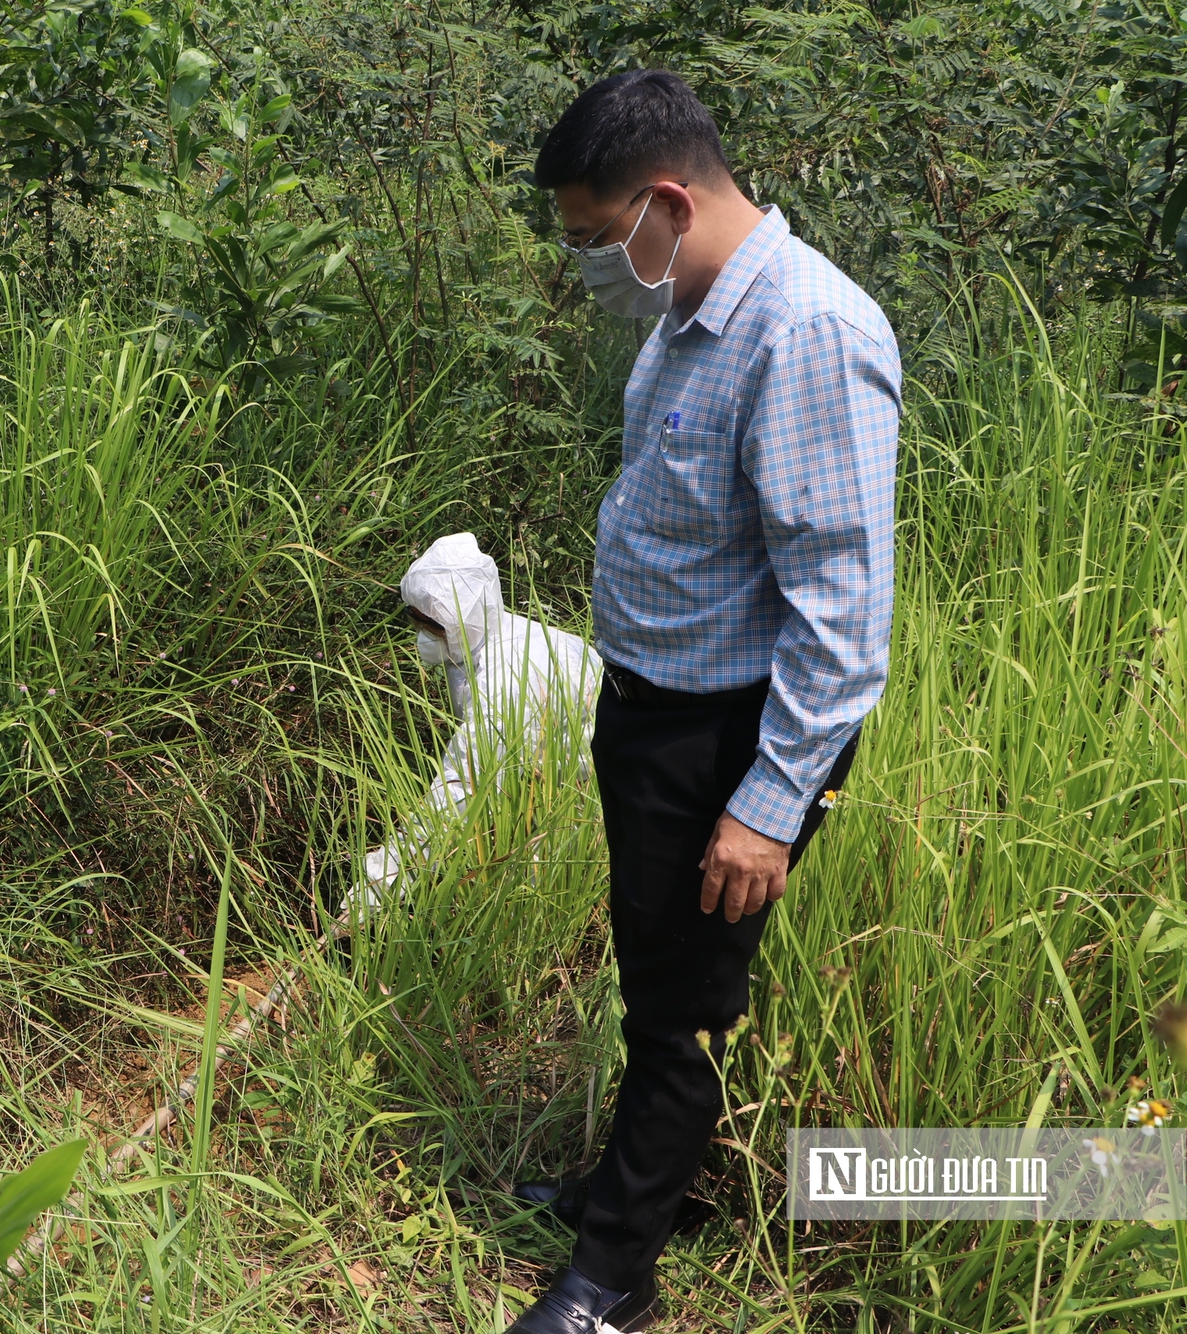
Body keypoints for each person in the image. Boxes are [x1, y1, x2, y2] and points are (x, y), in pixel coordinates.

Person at [505, 70, 899, 1334]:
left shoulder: (807, 335)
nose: (585, 270)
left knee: (680, 1006)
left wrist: (764, 808)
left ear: (664, 202)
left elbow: (840, 620)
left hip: (728, 737)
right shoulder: (689, 306)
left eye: (589, 240)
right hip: (651, 707)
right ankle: (638, 1185)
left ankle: (614, 1272)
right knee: (651, 971)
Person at [356, 533, 603, 910]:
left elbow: (459, 789)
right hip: (580, 809)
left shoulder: (503, 679)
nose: (423, 634)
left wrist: (382, 882)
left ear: (461, 618)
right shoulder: (521, 635)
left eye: (432, 625)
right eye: (415, 620)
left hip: (564, 826)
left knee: (529, 906)